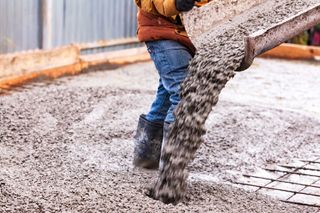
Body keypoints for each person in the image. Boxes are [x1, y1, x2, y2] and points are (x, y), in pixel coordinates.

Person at [132, 0, 201, 169]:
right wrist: (175, 3)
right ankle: (171, 178)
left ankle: (146, 157)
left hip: (193, 33)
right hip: (161, 29)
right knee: (184, 94)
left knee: (167, 92)